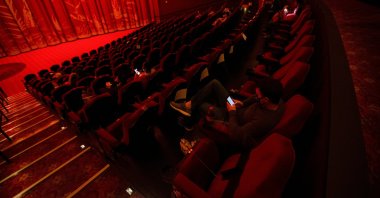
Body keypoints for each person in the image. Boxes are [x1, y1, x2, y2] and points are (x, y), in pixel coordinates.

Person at [170, 77, 285, 149]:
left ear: (266, 100)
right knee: (215, 83)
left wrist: (232, 112)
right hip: (235, 107)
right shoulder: (277, 100)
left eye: (259, 96)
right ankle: (189, 107)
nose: (256, 96)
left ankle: (189, 116)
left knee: (202, 105)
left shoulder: (262, 121)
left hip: (228, 118)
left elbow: (237, 134)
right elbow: (255, 97)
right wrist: (243, 103)